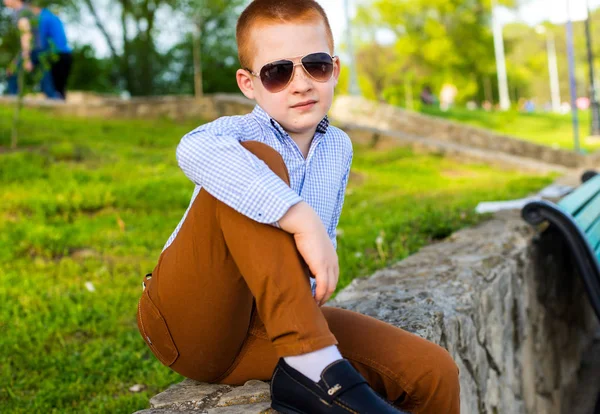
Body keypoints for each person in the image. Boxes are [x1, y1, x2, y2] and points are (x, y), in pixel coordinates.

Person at [136, 1, 460, 413]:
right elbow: (192, 148)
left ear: (336, 70)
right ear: (249, 83)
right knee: (256, 160)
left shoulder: (338, 146)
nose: (302, 83)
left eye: (316, 65)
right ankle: (314, 368)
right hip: (189, 325)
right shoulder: (239, 135)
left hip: (272, 329)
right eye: (278, 72)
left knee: (433, 371)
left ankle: (309, 362)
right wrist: (299, 218)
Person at [3, 0, 72, 100]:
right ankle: (53, 98)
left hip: (33, 49)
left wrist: (26, 57)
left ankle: (13, 99)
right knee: (45, 78)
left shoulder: (22, 12)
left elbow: (26, 34)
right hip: (40, 49)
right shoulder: (27, 10)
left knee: (13, 73)